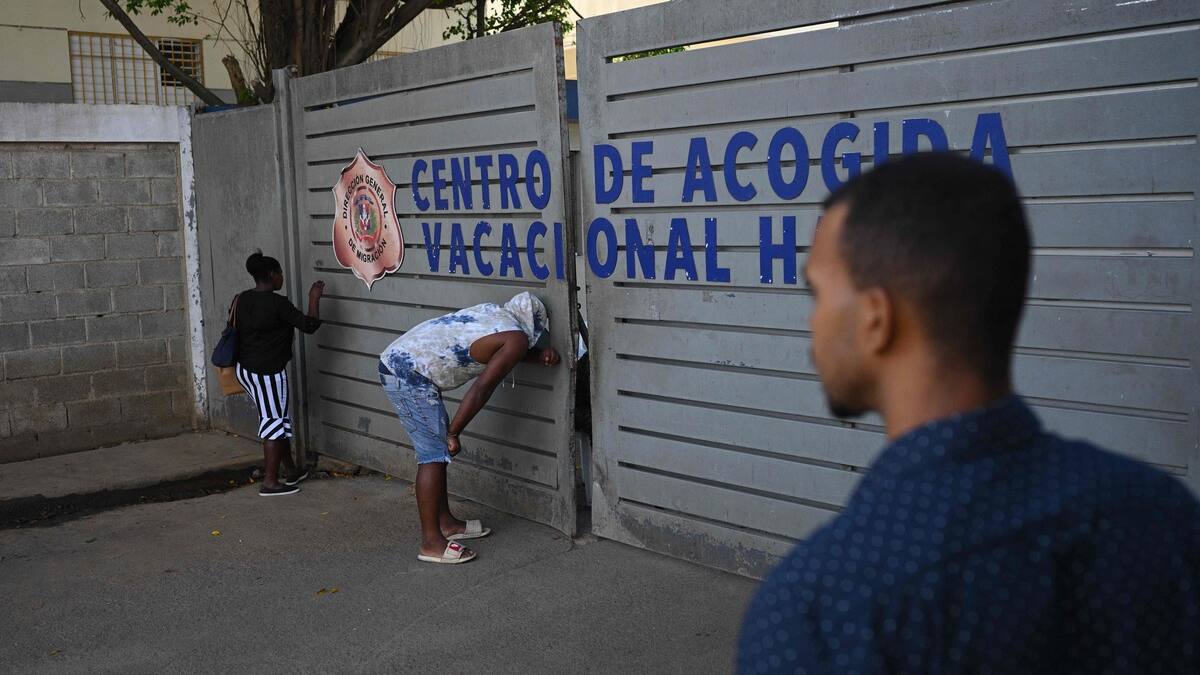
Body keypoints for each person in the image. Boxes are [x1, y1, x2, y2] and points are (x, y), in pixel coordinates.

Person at [737, 154, 1200, 673]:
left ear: (876, 319)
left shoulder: (818, 609)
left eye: (817, 294)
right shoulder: (1162, 516)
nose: (813, 323)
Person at [378, 292, 561, 564]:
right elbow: (482, 389)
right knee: (433, 457)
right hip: (409, 375)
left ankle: (446, 524)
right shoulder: (517, 339)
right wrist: (454, 431)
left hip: (399, 362)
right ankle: (431, 543)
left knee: (436, 454)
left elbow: (493, 347)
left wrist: (534, 357)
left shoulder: (494, 314)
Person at [233, 252, 324, 497]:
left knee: (277, 419)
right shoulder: (277, 304)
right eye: (281, 274)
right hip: (268, 373)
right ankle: (270, 482)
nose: (282, 278)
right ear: (273, 276)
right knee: (274, 423)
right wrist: (313, 298)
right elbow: (309, 325)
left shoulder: (241, 299)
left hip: (245, 370)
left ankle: (291, 470)